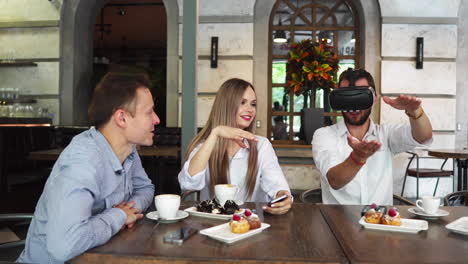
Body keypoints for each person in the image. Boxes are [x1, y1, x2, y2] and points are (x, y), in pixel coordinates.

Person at [17, 73, 159, 263]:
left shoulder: (128, 150)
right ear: (122, 118)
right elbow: (64, 246)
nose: (156, 119)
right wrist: (117, 216)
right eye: (149, 112)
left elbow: (145, 188)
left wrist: (129, 211)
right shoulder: (83, 162)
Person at [312, 68, 433, 205]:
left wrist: (415, 111)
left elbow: (423, 137)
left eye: (361, 96)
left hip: (380, 222)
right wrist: (357, 158)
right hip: (338, 222)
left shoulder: (385, 134)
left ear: (374, 98)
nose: (353, 105)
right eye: (347, 96)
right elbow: (334, 180)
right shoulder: (324, 135)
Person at [178, 78, 292, 215]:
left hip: (250, 225)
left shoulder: (261, 145)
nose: (250, 109)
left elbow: (277, 184)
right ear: (226, 105)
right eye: (242, 102)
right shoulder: (206, 145)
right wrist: (216, 133)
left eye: (253, 104)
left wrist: (283, 196)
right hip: (211, 226)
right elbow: (188, 184)